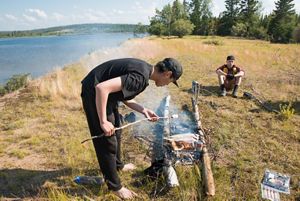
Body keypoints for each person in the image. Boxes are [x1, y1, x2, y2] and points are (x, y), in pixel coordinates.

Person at [80, 57, 183, 199]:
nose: (167, 84)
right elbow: (101, 88)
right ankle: (115, 187)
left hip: (105, 95)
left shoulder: (145, 71)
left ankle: (117, 165)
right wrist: (103, 121)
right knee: (107, 139)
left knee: (117, 130)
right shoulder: (140, 77)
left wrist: (143, 110)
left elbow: (123, 94)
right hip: (94, 94)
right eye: (171, 82)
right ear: (168, 74)